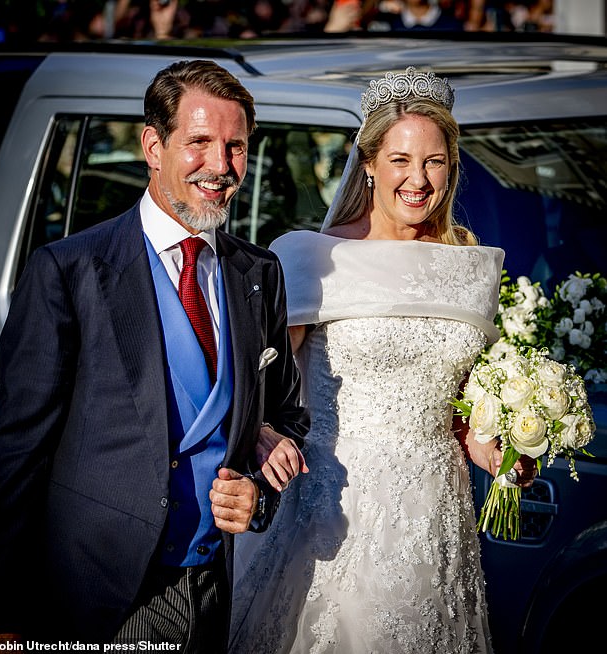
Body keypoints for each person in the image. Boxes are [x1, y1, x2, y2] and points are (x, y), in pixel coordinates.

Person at [0, 59, 309, 649]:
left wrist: (260, 486)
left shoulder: (258, 273)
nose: (221, 166)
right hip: (93, 595)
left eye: (236, 147)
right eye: (199, 142)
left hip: (211, 589)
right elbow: (15, 455)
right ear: (153, 145)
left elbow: (285, 416)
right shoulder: (68, 271)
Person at [229, 66, 537, 653]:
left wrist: (504, 454)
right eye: (400, 160)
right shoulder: (312, 258)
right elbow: (259, 395)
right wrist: (262, 440)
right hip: (335, 514)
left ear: (451, 166)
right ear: (368, 163)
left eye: (434, 161)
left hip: (437, 517)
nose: (417, 180)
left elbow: (464, 414)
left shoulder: (470, 268)